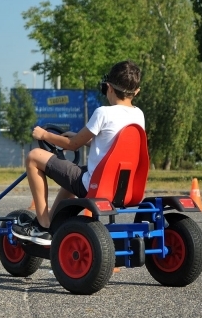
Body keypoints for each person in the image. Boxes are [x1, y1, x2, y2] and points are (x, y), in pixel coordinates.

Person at [12, 60, 144, 245]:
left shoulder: (104, 113)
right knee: (72, 174)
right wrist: (76, 138)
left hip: (96, 186)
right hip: (122, 188)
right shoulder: (138, 115)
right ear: (136, 92)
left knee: (34, 156)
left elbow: (73, 145)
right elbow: (111, 146)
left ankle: (42, 226)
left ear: (108, 87)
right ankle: (53, 221)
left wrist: (45, 135)